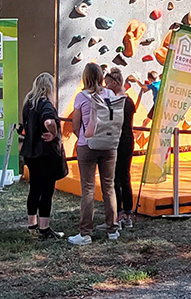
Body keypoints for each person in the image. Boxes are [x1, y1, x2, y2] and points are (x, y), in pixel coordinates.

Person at [69, 62, 119, 245]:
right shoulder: (110, 94)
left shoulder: (81, 97)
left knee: (88, 189)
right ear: (100, 77)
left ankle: (85, 233)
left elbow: (75, 125)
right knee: (109, 186)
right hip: (109, 145)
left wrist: (84, 137)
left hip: (87, 145)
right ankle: (112, 229)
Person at [20, 72, 66, 240]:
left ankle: (32, 224)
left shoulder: (28, 104)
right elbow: (48, 121)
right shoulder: (45, 104)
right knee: (46, 191)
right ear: (48, 88)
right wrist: (53, 133)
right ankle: (44, 228)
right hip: (45, 154)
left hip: (30, 153)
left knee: (34, 189)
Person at [104, 67, 136, 229]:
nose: (105, 87)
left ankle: (124, 213)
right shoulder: (122, 101)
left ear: (115, 84)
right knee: (117, 177)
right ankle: (120, 213)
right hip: (119, 140)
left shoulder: (123, 101)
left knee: (121, 176)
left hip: (122, 141)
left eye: (108, 84)